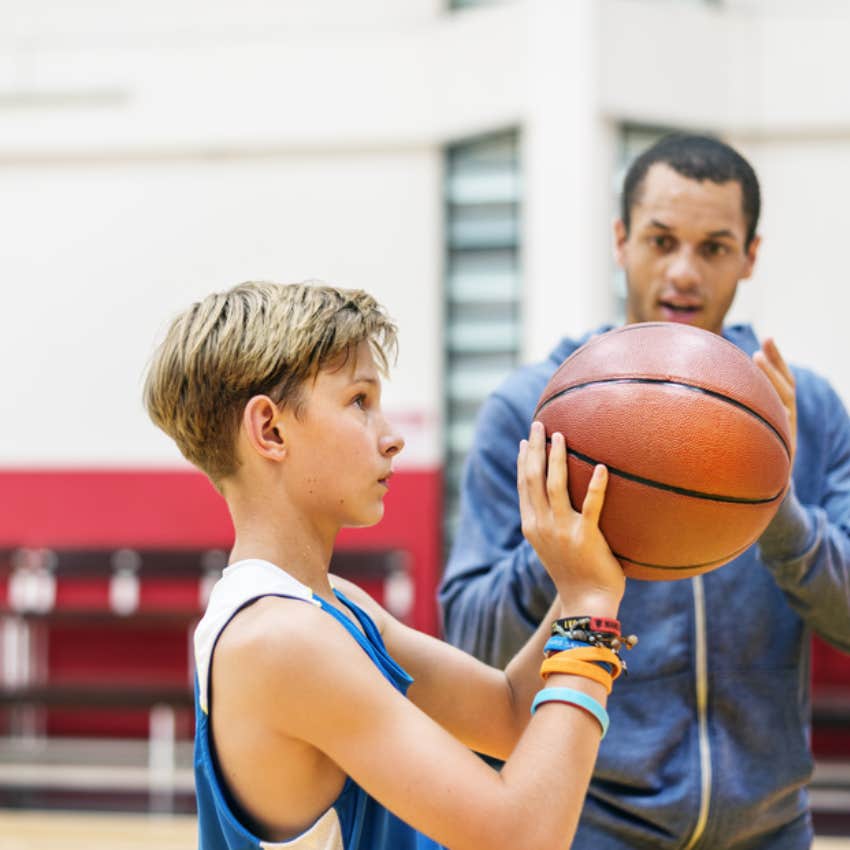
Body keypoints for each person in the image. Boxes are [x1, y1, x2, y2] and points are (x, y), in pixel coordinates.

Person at [439, 133, 850, 850]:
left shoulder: (803, 413)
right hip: (590, 828)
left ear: (751, 255)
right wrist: (565, 544)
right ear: (621, 240)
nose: (683, 272)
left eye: (715, 247)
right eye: (661, 240)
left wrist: (775, 505)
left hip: (770, 829)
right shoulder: (531, 409)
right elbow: (471, 643)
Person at [143, 280, 629, 850]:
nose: (394, 438)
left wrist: (586, 580)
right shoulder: (280, 640)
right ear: (270, 430)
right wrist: (590, 611)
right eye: (359, 401)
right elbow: (521, 838)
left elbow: (512, 715)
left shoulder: (333, 604)